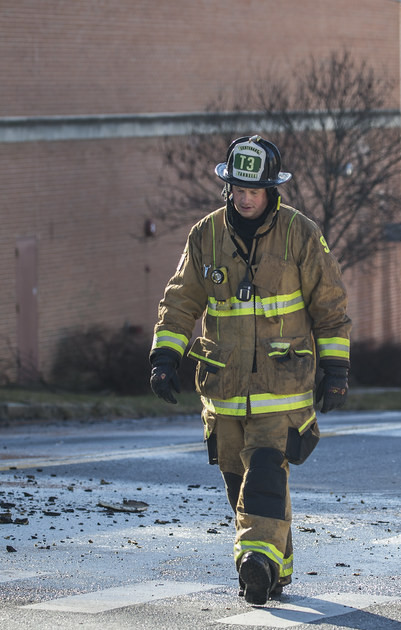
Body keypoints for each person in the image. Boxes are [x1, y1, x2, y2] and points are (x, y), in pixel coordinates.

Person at [148, 134, 351, 605]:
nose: (244, 198)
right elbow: (180, 301)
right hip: (222, 390)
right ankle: (275, 567)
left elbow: (330, 306)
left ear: (271, 191)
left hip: (283, 388)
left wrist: (336, 368)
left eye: (253, 191)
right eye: (237, 189)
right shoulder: (206, 235)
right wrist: (164, 357)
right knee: (241, 484)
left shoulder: (301, 233)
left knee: (265, 472)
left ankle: (252, 562)